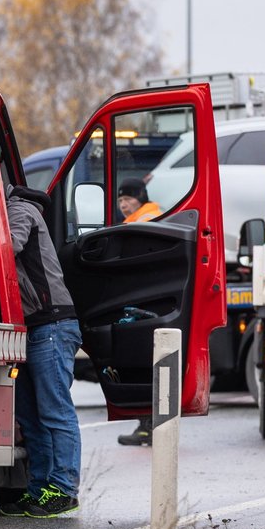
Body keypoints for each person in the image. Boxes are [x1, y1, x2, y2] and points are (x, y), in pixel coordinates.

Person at [0, 185, 82, 518]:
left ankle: (64, 489)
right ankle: (39, 489)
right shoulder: (18, 210)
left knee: (54, 412)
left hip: (52, 326)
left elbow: (8, 247)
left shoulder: (19, 210)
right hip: (34, 329)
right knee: (32, 419)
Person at [115, 177, 161, 446]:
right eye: (120, 200)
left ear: (140, 197)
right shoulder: (146, 217)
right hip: (149, 299)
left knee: (144, 364)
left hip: (144, 300)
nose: (123, 204)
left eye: (127, 199)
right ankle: (148, 426)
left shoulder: (145, 220)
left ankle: (148, 426)